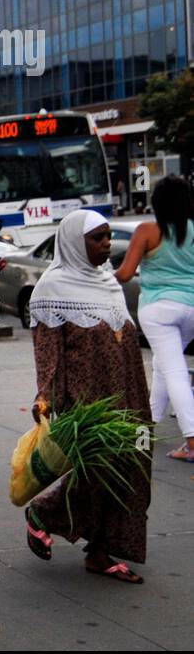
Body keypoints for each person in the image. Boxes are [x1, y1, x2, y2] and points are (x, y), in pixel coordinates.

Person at [23, 209, 151, 583]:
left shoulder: (107, 281)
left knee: (133, 470)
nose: (108, 243)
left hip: (128, 391)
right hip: (88, 396)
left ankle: (101, 552)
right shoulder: (53, 287)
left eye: (109, 236)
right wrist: (44, 395)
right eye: (98, 237)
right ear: (76, 243)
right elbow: (47, 348)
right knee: (98, 472)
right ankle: (43, 514)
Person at [116, 175, 194, 462]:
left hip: (159, 310)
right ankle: (146, 426)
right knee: (164, 363)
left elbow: (125, 274)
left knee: (174, 370)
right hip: (192, 309)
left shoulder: (148, 230)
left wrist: (101, 278)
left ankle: (192, 441)